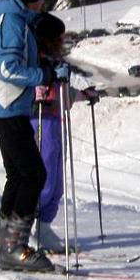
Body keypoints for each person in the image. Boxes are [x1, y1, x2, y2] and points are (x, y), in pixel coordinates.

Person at [0, 0, 58, 272]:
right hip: (6, 106)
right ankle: (13, 245)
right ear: (33, 0)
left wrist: (42, 65)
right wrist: (43, 76)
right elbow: (8, 69)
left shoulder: (14, 19)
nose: (44, 4)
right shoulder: (12, 22)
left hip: (4, 106)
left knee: (19, 175)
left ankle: (0, 242)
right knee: (34, 174)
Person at [29, 13, 97, 253]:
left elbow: (63, 93)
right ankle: (29, 228)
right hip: (40, 120)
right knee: (44, 173)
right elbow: (33, 89)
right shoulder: (35, 61)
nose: (62, 42)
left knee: (56, 179)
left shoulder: (55, 62)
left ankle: (44, 227)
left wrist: (82, 94)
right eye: (58, 37)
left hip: (56, 120)